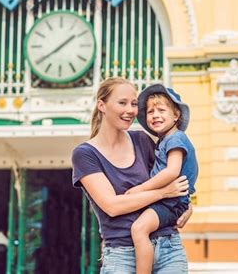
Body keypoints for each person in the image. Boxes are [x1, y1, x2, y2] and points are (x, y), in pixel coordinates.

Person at [72, 77, 192, 273]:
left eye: (134, 104)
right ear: (102, 105)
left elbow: (172, 178)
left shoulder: (142, 140)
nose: (130, 110)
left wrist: (188, 205)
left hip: (169, 247)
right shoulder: (85, 154)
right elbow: (113, 206)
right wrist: (163, 193)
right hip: (122, 254)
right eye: (122, 103)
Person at [126, 84, 199, 274]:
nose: (155, 115)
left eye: (161, 110)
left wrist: (140, 189)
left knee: (139, 229)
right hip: (170, 202)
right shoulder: (165, 141)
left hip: (171, 203)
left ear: (176, 116)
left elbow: (171, 172)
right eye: (150, 111)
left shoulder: (176, 139)